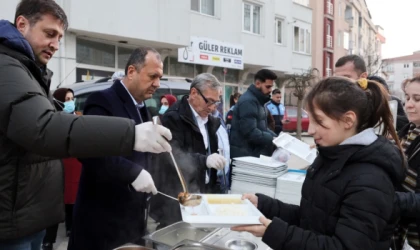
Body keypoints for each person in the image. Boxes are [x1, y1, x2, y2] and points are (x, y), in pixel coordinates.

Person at [0, 1, 172, 249]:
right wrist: (130, 145)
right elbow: (47, 130)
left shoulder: (31, 71)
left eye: (60, 37)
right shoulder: (8, 66)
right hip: (27, 218)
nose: (56, 45)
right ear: (22, 24)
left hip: (29, 215)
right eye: (49, 34)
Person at [232, 77, 405, 250]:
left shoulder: (371, 179)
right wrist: (264, 205)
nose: (310, 130)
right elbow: (311, 218)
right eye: (310, 119)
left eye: (319, 121)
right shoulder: (331, 155)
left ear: (348, 120)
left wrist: (275, 232)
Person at [68, 47, 165, 250]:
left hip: (132, 219)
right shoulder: (102, 100)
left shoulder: (143, 107)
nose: (157, 83)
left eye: (159, 77)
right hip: (102, 220)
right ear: (131, 71)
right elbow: (91, 153)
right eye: (152, 76)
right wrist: (133, 173)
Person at [150, 73, 226, 229]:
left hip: (201, 194)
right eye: (209, 101)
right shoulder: (173, 118)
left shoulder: (210, 121)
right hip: (176, 198)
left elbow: (212, 159)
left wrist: (217, 193)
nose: (212, 108)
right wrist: (205, 160)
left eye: (216, 103)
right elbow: (173, 157)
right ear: (193, 93)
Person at [42, 88, 80, 250]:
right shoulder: (52, 121)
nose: (71, 102)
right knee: (57, 202)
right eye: (67, 99)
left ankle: (72, 228)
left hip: (75, 166)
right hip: (58, 165)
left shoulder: (78, 118)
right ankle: (48, 239)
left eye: (72, 98)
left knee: (73, 199)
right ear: (58, 101)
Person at [392, 76, 420, 250]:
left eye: (417, 99)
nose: (408, 105)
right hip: (403, 229)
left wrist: (390, 199)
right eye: (407, 98)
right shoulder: (409, 131)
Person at [230, 69, 278, 159]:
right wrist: (272, 139)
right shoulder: (248, 101)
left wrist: (277, 138)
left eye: (271, 87)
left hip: (252, 153)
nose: (270, 90)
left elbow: (262, 128)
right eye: (268, 87)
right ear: (258, 84)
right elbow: (250, 132)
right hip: (245, 155)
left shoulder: (259, 101)